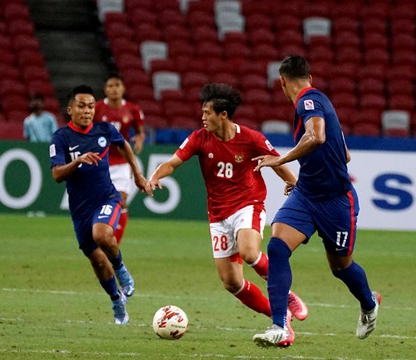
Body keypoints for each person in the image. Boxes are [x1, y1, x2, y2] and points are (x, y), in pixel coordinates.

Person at [145, 83, 309, 336]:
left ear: (223, 114)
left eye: (207, 112)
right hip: (218, 215)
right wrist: (156, 175)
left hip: (248, 204)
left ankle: (286, 296)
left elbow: (276, 162)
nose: (202, 117)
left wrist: (294, 184)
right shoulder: (199, 138)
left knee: (249, 252)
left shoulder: (252, 138)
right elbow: (173, 162)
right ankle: (280, 316)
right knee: (231, 283)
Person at [251, 55, 380, 348]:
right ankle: (279, 325)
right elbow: (344, 154)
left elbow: (317, 136)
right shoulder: (322, 101)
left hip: (336, 201)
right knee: (277, 246)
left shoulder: (307, 101)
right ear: (310, 76)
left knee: (341, 267)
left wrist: (280, 159)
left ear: (282, 81)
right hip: (307, 194)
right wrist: (309, 171)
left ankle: (369, 302)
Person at [49, 85, 150, 324]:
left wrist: (136, 174)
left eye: (91, 106)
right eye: (82, 106)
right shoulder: (61, 138)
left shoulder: (105, 130)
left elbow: (123, 144)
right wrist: (78, 162)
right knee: (97, 260)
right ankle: (116, 300)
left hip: (107, 198)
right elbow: (56, 175)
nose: (87, 111)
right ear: (70, 109)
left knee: (102, 234)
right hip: (80, 210)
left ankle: (122, 271)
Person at [93, 76, 145, 290]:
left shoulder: (132, 109)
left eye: (117, 86)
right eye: (110, 86)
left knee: (121, 201)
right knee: (100, 204)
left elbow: (140, 130)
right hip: (101, 161)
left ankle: (115, 243)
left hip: (122, 162)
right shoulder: (96, 108)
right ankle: (104, 235)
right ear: (105, 89)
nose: (114, 89)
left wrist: (139, 139)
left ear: (123, 88)